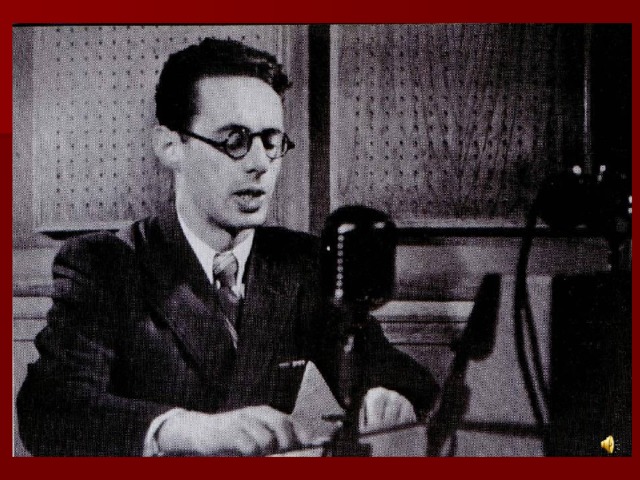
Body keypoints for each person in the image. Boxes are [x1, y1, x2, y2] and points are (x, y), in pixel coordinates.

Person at [17, 37, 439, 456]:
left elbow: (397, 375)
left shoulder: (301, 264)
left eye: (270, 141)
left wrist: (386, 396)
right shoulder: (106, 264)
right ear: (169, 146)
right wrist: (181, 430)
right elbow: (51, 410)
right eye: (233, 141)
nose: (259, 164)